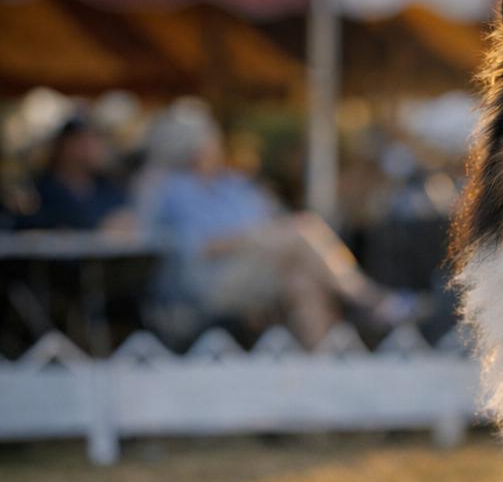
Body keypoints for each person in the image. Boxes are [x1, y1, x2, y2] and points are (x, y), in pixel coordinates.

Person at [140, 103, 416, 349]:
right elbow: (201, 248)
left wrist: (267, 231)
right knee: (302, 230)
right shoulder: (174, 191)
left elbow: (273, 218)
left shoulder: (233, 186)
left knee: (302, 281)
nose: (212, 144)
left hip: (260, 269)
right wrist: (255, 237)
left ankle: (324, 365)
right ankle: (369, 299)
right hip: (212, 282)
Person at [16, 117, 132, 231]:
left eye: (96, 140)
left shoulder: (109, 189)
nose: (95, 148)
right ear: (65, 146)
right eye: (84, 142)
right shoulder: (39, 191)